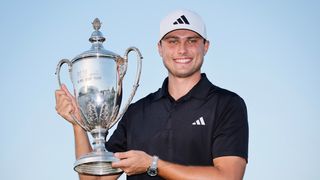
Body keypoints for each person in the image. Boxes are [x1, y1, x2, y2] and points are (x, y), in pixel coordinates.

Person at [55, 9, 249, 180]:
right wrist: (78, 125)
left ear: (205, 46)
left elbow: (228, 177)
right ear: (160, 48)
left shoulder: (227, 104)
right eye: (173, 41)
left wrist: (153, 164)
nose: (182, 49)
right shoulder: (136, 112)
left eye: (192, 40)